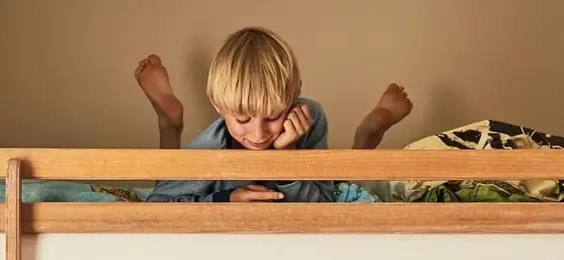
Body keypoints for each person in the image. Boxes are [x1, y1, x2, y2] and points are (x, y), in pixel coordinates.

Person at [133, 27, 413, 202]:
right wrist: (225, 199)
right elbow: (160, 204)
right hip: (201, 175)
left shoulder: (308, 115)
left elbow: (325, 202)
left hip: (321, 179)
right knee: (170, 179)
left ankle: (368, 133)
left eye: (273, 116)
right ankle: (170, 122)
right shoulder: (206, 150)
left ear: (293, 99)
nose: (258, 134)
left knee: (347, 186)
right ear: (217, 105)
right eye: (242, 119)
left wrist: (286, 157)